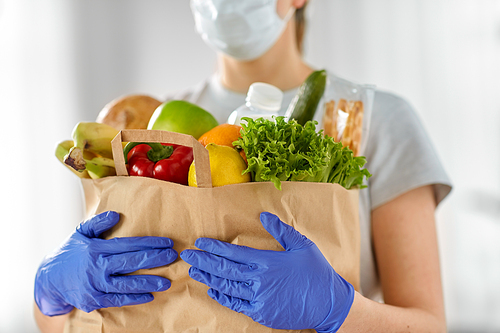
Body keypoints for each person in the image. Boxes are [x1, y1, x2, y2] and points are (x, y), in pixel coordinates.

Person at [34, 0, 452, 332]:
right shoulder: (149, 129)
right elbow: (76, 319)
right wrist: (49, 295)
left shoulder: (373, 121)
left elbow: (429, 325)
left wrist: (341, 311)